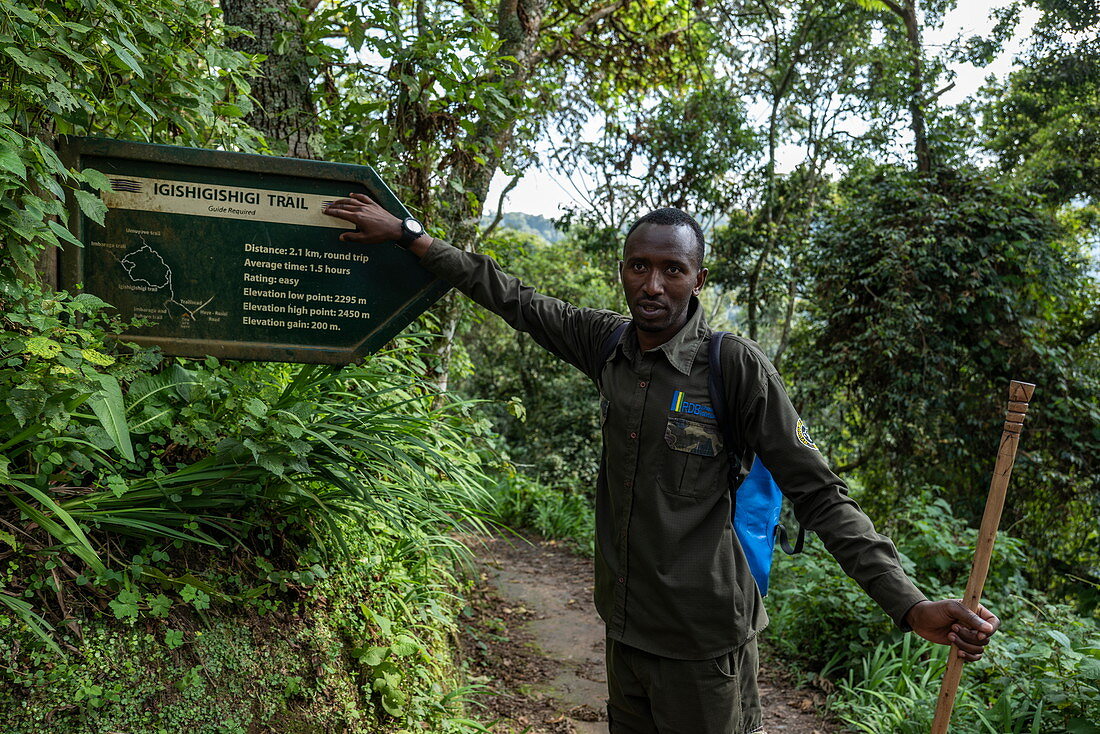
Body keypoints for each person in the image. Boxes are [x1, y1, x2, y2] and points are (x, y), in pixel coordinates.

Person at [323, 195, 1001, 734]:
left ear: (698, 279)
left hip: (705, 644)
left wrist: (907, 605)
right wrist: (411, 234)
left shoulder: (732, 367)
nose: (653, 283)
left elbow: (820, 495)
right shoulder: (608, 344)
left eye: (672, 269)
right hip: (626, 631)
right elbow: (513, 297)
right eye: (639, 265)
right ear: (622, 269)